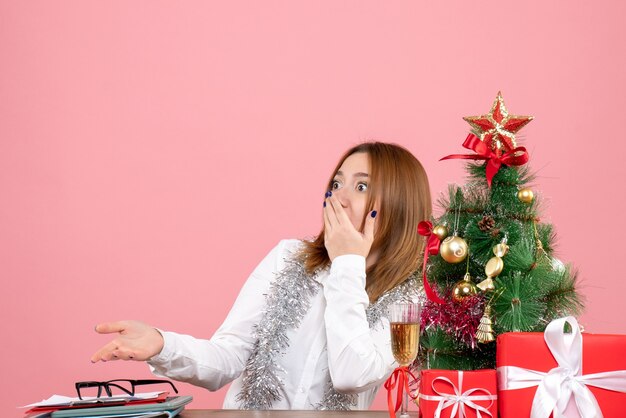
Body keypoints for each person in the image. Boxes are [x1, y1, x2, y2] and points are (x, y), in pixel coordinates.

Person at [90, 142, 432, 410]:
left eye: (360, 188)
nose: (339, 198)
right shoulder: (288, 257)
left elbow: (352, 374)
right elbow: (226, 358)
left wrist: (348, 264)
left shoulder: (411, 298)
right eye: (337, 183)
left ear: (399, 205)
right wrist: (162, 345)